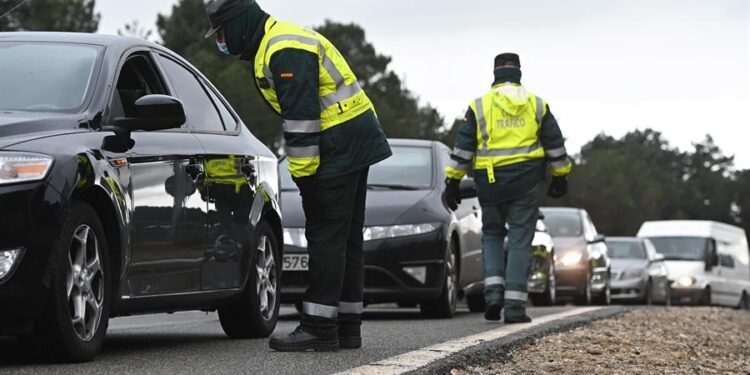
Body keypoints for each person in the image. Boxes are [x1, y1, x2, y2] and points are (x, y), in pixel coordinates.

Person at [204, 0, 391, 351]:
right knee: (346, 239)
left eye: (223, 32)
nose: (222, 41)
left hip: (338, 142)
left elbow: (302, 120)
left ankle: (319, 327)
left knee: (325, 236)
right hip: (354, 138)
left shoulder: (283, 48)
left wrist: (304, 177)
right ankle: (347, 327)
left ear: (241, 23)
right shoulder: (280, 40)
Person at [444, 53, 572, 323]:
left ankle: (492, 295)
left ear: (495, 73)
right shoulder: (537, 105)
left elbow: (463, 147)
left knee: (491, 235)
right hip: (525, 182)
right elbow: (555, 144)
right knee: (519, 242)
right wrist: (560, 175)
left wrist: (453, 180)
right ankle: (514, 308)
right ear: (519, 72)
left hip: (489, 183)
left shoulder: (479, 106)